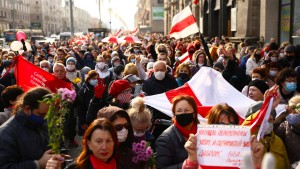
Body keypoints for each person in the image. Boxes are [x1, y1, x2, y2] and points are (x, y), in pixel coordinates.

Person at [0, 87, 52, 169]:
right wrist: (38, 164)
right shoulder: (6, 133)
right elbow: (5, 166)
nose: (45, 118)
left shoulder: (42, 122)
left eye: (48, 114)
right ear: (27, 109)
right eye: (41, 114)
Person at [46, 118, 119, 169]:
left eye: (108, 141)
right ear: (89, 143)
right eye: (98, 141)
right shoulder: (77, 167)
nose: (104, 147)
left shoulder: (122, 163)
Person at [155, 95, 199, 169]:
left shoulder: (203, 132)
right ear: (174, 115)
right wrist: (189, 164)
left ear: (194, 113)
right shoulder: (165, 139)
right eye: (179, 111)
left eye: (187, 110)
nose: (182, 113)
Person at [276, 95, 300, 164]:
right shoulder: (284, 127)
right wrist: (276, 120)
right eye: (290, 111)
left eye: (295, 111)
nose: (292, 114)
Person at [77, 70, 99, 135]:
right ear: (89, 79)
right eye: (93, 78)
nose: (96, 80)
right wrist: (83, 122)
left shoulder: (99, 88)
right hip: (87, 119)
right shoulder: (83, 90)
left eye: (97, 78)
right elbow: (80, 108)